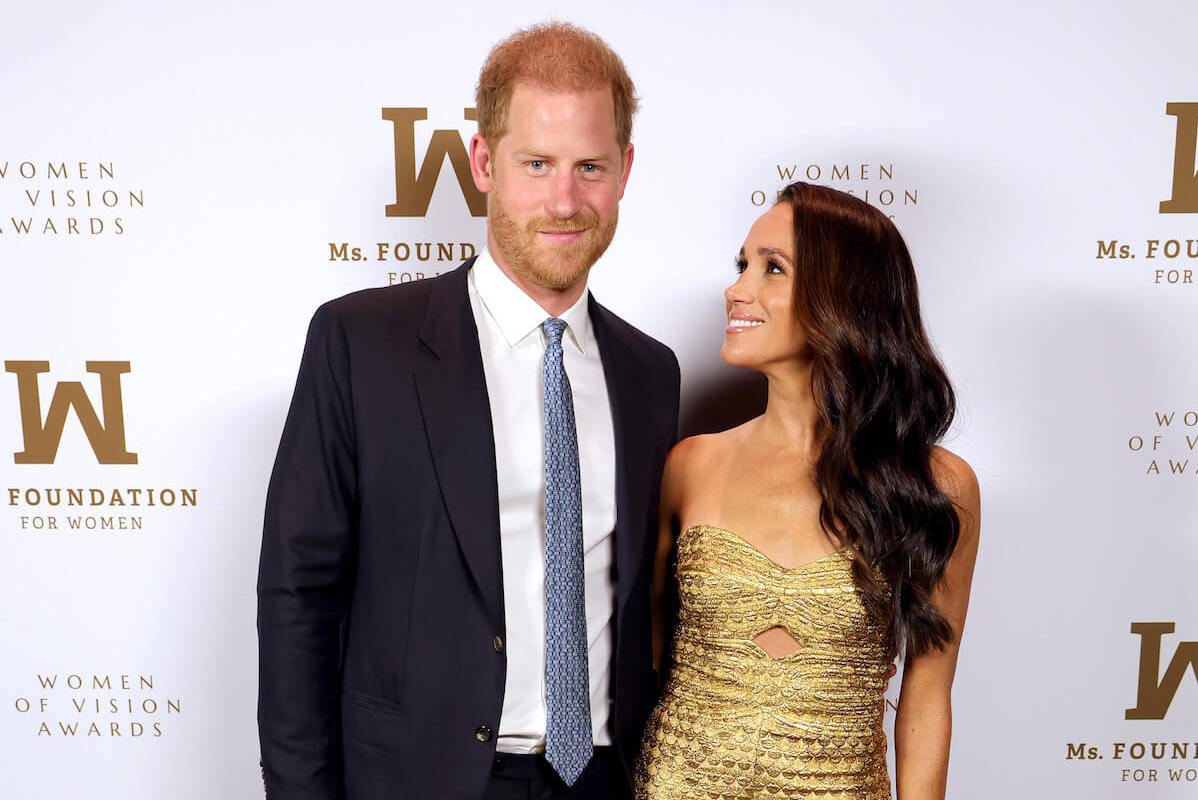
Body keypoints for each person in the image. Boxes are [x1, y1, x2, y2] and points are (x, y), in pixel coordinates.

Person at [257, 23, 679, 800]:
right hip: (420, 780)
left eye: (589, 166)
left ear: (624, 171)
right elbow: (298, 597)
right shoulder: (362, 344)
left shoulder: (650, 373)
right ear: (484, 164)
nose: (564, 199)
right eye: (537, 164)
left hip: (603, 780)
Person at [635, 182, 980, 800]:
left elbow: (928, 696)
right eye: (741, 264)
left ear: (844, 298)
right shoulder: (690, 465)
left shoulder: (937, 487)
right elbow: (644, 664)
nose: (736, 289)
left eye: (772, 268)